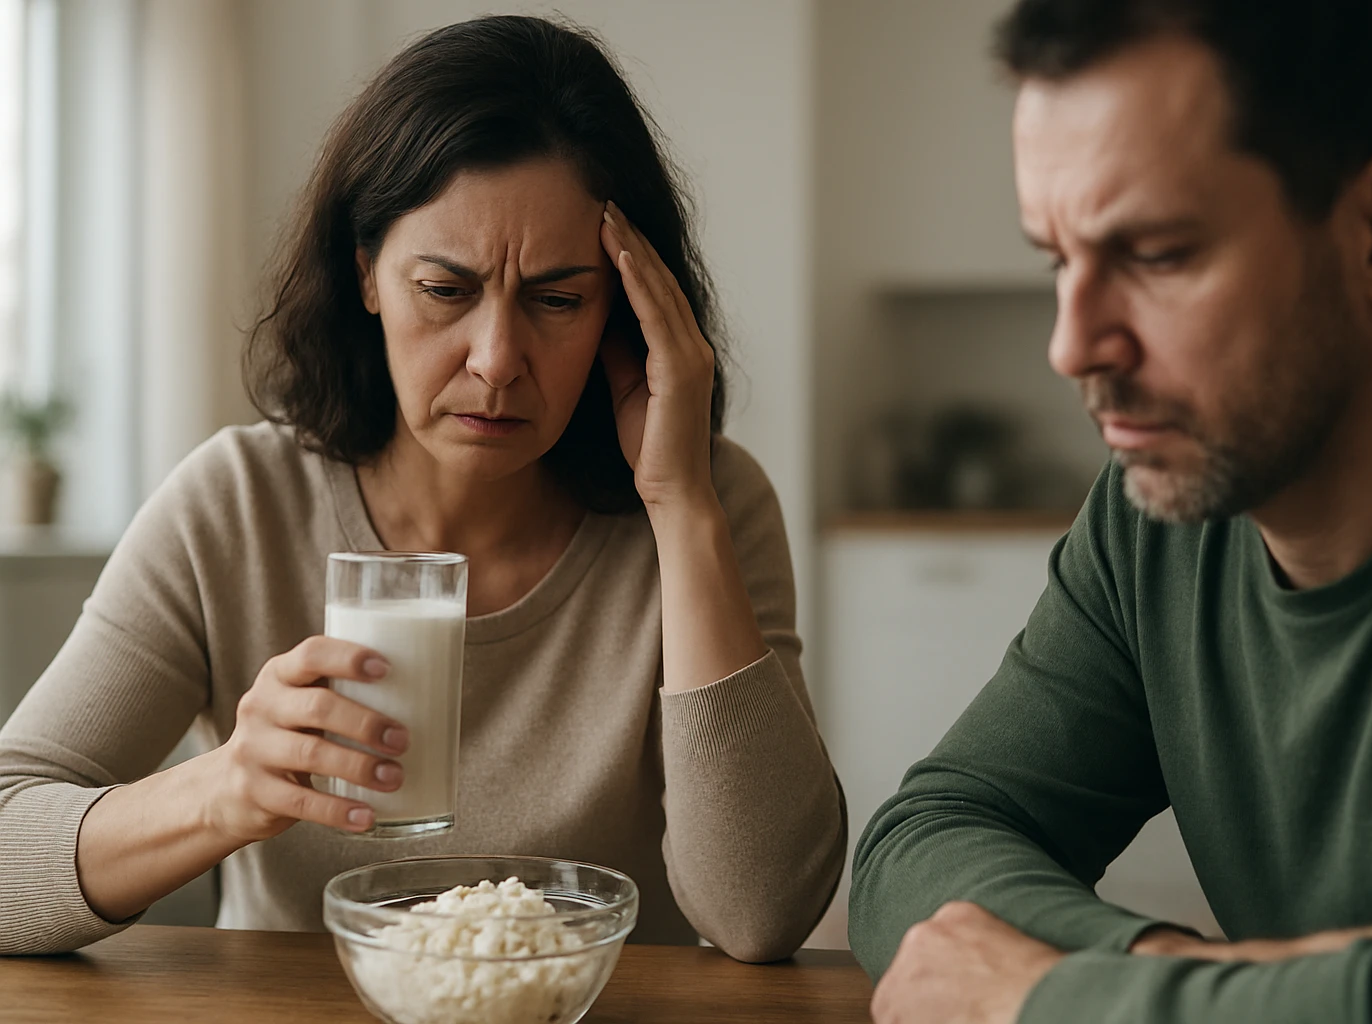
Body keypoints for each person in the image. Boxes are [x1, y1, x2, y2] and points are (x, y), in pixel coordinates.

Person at [0, 15, 845, 961]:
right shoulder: (236, 505)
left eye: (558, 300)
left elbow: (764, 911)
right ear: (366, 275)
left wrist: (682, 507)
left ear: (627, 309)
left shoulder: (709, 502)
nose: (495, 362)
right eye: (445, 291)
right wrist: (224, 789)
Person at [849, 0, 1372, 1020]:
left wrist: (1046, 999)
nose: (1071, 346)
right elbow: (923, 838)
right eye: (1057, 257)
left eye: (1158, 255)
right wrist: (1176, 972)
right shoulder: (1158, 519)